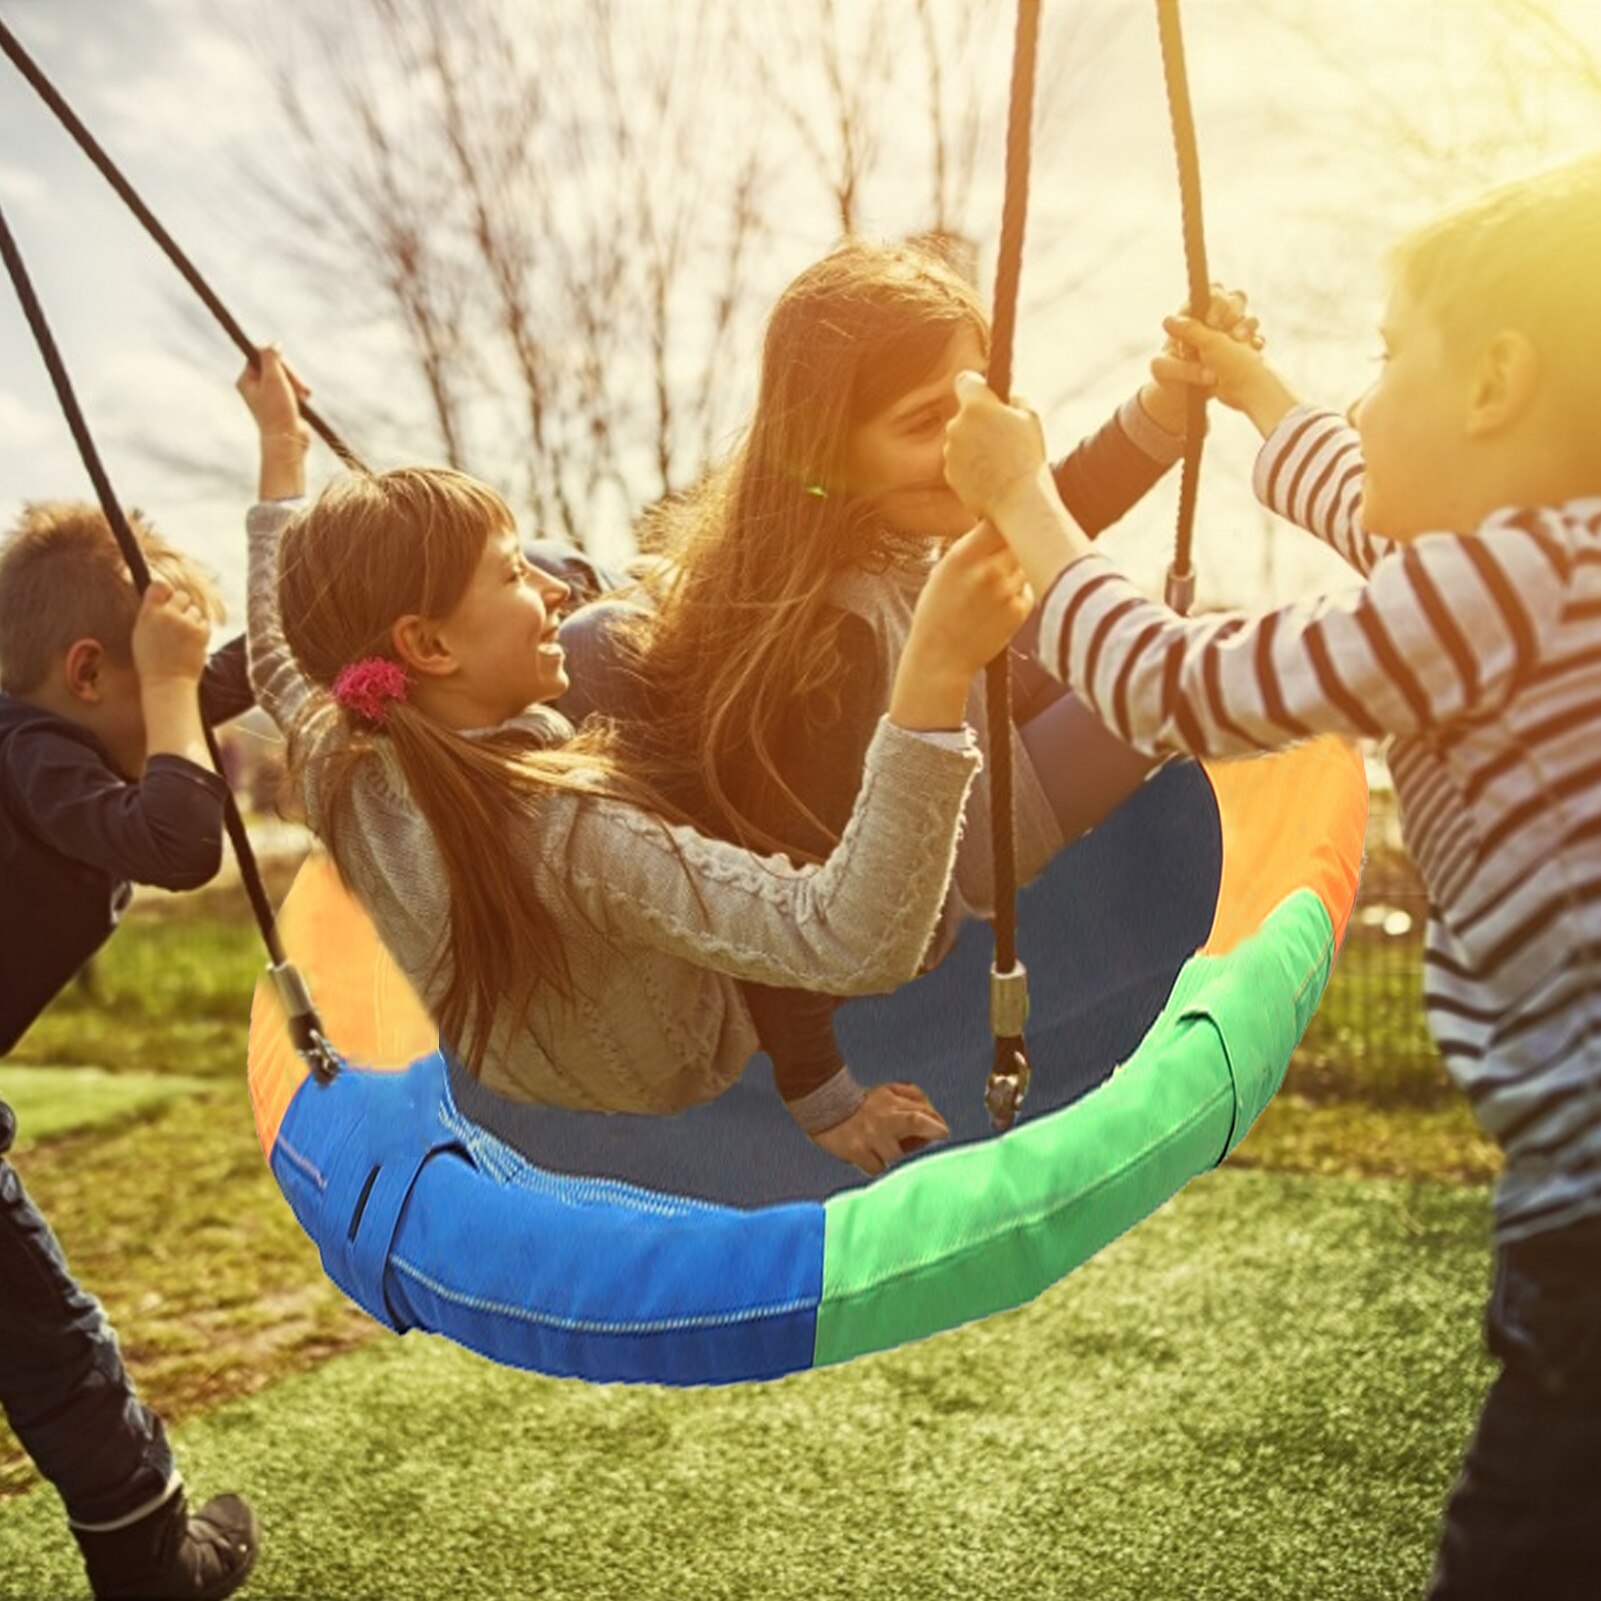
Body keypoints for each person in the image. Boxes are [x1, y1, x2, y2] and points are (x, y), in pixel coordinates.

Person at [942, 154, 1601, 1601]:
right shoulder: (1538, 569)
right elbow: (1362, 493)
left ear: (1494, 383)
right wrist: (1250, 388)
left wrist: (1023, 508)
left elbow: (1179, 687)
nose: (1359, 408)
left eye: (1386, 364)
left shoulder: (1492, 587)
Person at [238, 347, 1031, 1176]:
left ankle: (649, 589)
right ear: (428, 644)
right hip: (671, 1057)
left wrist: (280, 447)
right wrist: (933, 673)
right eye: (512, 574)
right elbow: (852, 940)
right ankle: (665, 596)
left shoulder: (340, 754)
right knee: (623, 634)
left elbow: (272, 656)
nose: (544, 587)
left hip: (516, 1055)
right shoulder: (569, 835)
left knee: (609, 606)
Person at [555, 238, 1260, 1164]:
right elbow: (783, 883)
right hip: (961, 836)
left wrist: (1165, 411)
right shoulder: (820, 642)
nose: (966, 441)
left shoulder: (886, 526)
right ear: (825, 447)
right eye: (926, 418)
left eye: (978, 399)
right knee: (1171, 677)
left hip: (977, 717)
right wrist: (822, 1097)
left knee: (1103, 618)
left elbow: (1050, 504)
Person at [0, 503, 260, 1599]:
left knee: (37, 1333)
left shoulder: (44, 727)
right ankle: (153, 1562)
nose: (182, 703)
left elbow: (210, 692)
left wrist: (282, 459)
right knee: (53, 1343)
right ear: (92, 670)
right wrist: (169, 685)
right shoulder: (36, 758)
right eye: (159, 675)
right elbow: (179, 841)